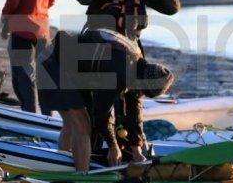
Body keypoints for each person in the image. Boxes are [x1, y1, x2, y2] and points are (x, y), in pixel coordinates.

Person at [73, 0, 180, 160]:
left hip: (132, 48)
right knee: (99, 102)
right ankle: (96, 148)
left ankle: (134, 146)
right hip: (99, 51)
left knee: (134, 98)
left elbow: (172, 7)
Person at [38, 28, 175, 171]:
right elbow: (102, 113)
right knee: (83, 124)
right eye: (144, 92)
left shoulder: (140, 67)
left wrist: (137, 148)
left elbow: (134, 112)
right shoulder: (121, 72)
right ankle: (82, 177)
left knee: (74, 122)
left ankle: (61, 165)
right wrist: (112, 145)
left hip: (72, 67)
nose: (141, 93)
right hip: (53, 62)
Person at [0, 0, 55, 114]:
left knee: (23, 76)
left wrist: (5, 18)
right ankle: (48, 116)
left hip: (21, 30)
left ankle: (30, 116)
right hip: (43, 29)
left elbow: (13, 0)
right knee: (44, 76)